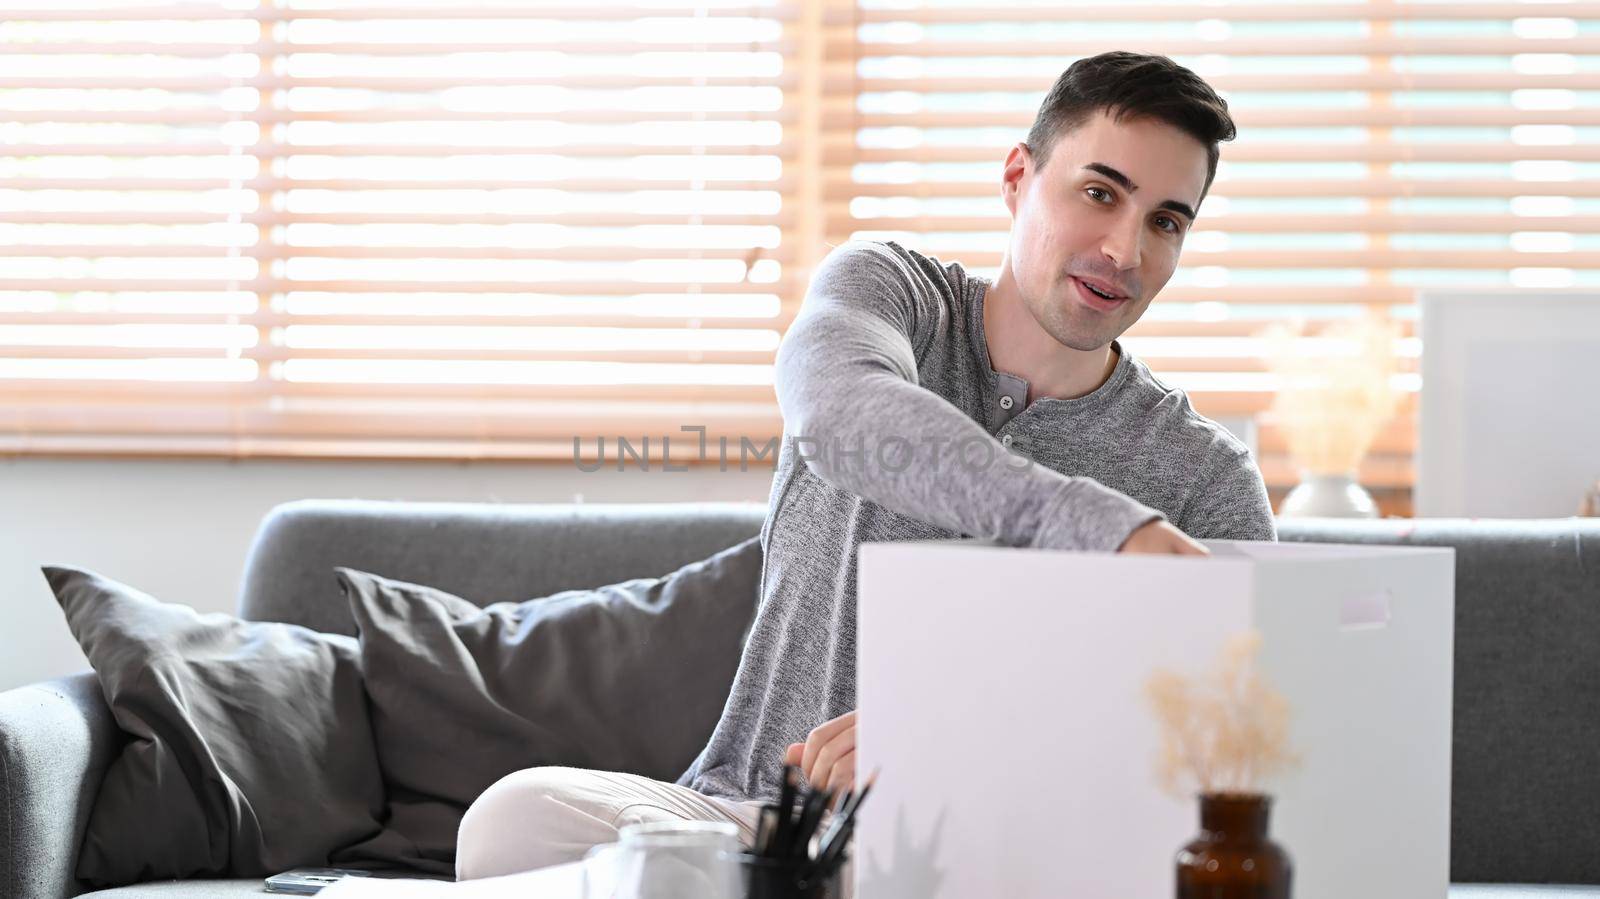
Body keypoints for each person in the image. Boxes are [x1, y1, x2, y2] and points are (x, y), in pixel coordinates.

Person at [454, 50, 1275, 881]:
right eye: (1100, 193)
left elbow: (1227, 752)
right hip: (751, 815)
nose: (1126, 249)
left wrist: (951, 751)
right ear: (1018, 177)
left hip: (998, 849)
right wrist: (1102, 528)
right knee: (515, 821)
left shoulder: (1203, 477)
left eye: (1167, 221)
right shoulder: (890, 294)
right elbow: (841, 415)